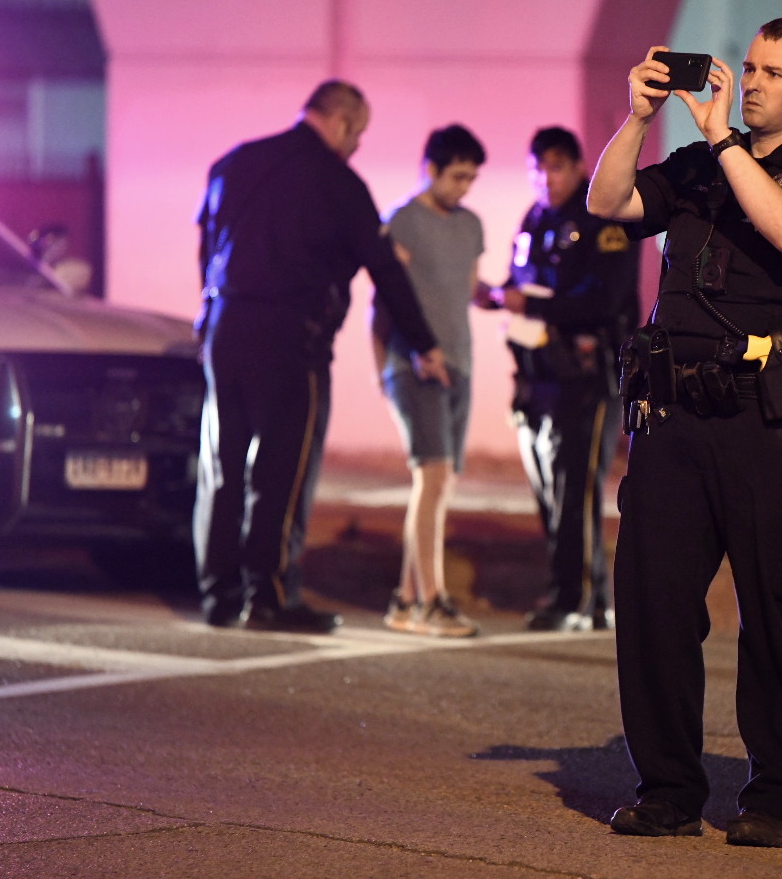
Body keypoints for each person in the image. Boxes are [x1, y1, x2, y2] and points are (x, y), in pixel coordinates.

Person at [587, 18, 782, 846]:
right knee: (653, 607)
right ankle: (670, 789)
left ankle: (777, 797)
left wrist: (723, 146)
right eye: (746, 67)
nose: (749, 84)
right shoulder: (695, 168)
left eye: (773, 73)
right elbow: (607, 203)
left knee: (775, 614)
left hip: (772, 425)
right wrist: (639, 118)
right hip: (674, 421)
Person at [192, 80, 448, 634]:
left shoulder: (234, 162)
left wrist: (206, 313)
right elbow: (385, 269)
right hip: (291, 338)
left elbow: (206, 242)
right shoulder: (339, 182)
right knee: (284, 469)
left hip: (224, 328)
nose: (357, 146)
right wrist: (425, 343)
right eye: (358, 134)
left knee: (221, 465)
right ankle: (270, 596)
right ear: (341, 122)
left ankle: (217, 595)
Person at [479, 127, 639, 632]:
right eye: (535, 169)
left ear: (576, 167)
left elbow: (605, 300)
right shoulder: (535, 217)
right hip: (536, 374)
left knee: (576, 490)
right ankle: (577, 596)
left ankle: (579, 598)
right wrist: (496, 294)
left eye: (553, 168)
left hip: (586, 376)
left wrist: (533, 303)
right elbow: (520, 281)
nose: (543, 179)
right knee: (548, 491)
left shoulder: (602, 216)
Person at [371, 125, 487, 638]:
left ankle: (406, 598)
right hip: (414, 365)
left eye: (471, 178)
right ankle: (433, 603)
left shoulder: (471, 225)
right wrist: (392, 364)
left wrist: (510, 297)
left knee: (438, 484)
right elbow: (385, 301)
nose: (464, 187)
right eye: (457, 176)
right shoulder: (401, 221)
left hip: (460, 362)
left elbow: (465, 289)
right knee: (433, 476)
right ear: (430, 169)